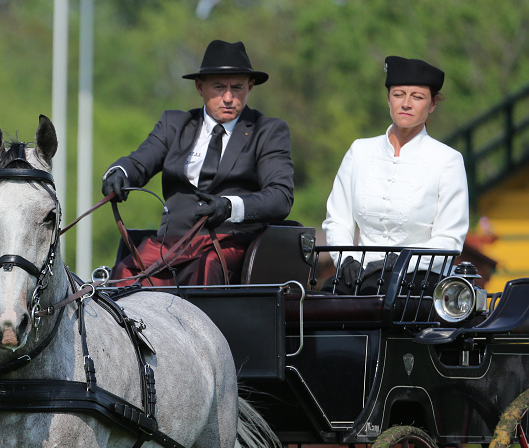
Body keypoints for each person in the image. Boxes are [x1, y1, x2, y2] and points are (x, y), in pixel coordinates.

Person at [102, 39, 294, 286]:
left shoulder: (267, 131)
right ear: (200, 87)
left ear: (250, 87)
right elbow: (140, 162)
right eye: (218, 87)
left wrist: (230, 206)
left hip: (228, 242)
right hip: (171, 243)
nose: (228, 97)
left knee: (207, 267)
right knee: (126, 273)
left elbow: (280, 196)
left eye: (237, 88)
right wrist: (119, 173)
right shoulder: (174, 125)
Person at [322, 56, 469, 294]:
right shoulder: (359, 151)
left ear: (432, 105)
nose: (406, 104)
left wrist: (399, 263)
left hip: (418, 282)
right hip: (357, 277)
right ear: (388, 99)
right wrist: (347, 260)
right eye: (399, 94)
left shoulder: (448, 160)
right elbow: (337, 220)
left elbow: (449, 239)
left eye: (418, 97)